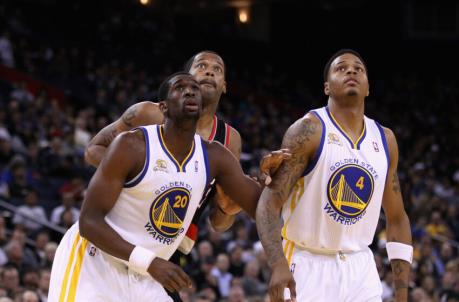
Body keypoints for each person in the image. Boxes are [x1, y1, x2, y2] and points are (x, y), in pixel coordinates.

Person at [48, 72, 264, 301]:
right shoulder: (133, 141)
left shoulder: (217, 153)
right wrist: (135, 175)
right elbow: (89, 219)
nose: (190, 91)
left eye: (194, 89)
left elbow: (257, 208)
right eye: (180, 88)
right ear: (163, 107)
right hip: (96, 259)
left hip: (148, 268)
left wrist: (276, 178)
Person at [84, 50, 285, 256]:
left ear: (224, 86)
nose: (209, 73)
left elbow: (219, 223)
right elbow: (93, 150)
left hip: (169, 246)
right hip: (120, 228)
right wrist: (137, 178)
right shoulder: (148, 113)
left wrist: (228, 208)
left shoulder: (228, 140)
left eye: (217, 69)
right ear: (186, 78)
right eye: (201, 66)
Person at [256, 49, 413, 302]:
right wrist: (277, 264)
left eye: (358, 68)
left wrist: (402, 293)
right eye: (341, 68)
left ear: (368, 87)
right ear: (327, 87)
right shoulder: (309, 130)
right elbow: (268, 203)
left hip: (361, 265)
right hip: (307, 261)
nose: (351, 71)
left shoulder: (385, 139)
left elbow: (397, 218)